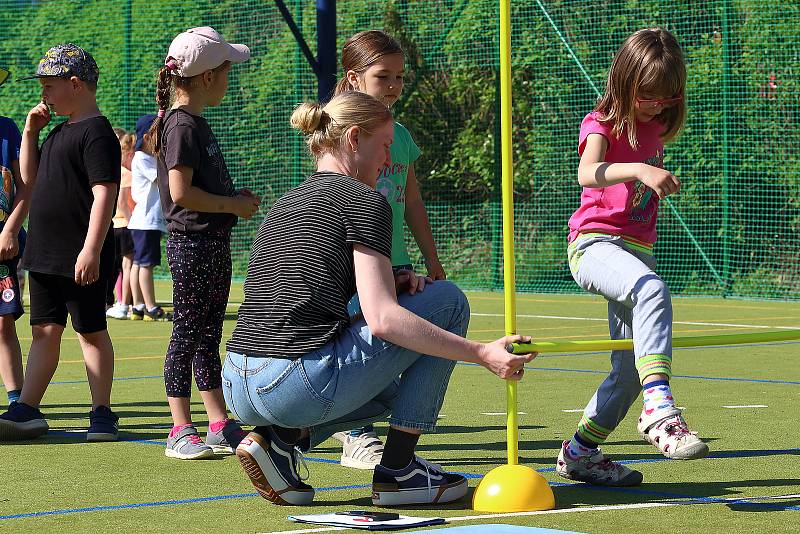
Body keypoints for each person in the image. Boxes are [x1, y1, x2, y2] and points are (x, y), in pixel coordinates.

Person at [224, 91, 534, 507]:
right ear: (354, 139)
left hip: (238, 382)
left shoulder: (285, 203)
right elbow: (384, 319)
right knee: (448, 301)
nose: (390, 161)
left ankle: (280, 441)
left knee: (389, 389)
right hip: (291, 385)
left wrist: (393, 278)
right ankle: (399, 472)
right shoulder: (366, 201)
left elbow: (304, 291)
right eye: (386, 146)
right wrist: (481, 353)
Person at [557, 28, 707, 487]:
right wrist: (640, 168)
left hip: (637, 252)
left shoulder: (656, 125)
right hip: (594, 246)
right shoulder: (599, 122)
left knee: (626, 375)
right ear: (623, 82)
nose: (656, 105)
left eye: (665, 97)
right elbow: (587, 174)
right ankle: (659, 407)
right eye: (646, 96)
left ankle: (580, 452)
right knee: (652, 291)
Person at [328, 30, 447, 470]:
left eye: (400, 76)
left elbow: (412, 201)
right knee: (360, 343)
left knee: (399, 342)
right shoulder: (340, 130)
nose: (394, 86)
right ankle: (355, 436)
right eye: (384, 76)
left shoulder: (400, 135)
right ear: (355, 78)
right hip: (354, 259)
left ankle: (390, 440)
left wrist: (431, 261)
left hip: (393, 260)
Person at [0, 44, 120, 441]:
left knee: (90, 331)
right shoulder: (54, 131)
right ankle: (28, 408)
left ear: (75, 84)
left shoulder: (97, 131)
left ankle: (101, 411)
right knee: (44, 331)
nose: (44, 94)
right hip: (45, 254)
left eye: (50, 86)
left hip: (78, 253)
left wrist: (91, 248)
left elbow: (104, 193)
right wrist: (31, 132)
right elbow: (29, 178)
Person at [150, 27, 259, 459]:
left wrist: (233, 202)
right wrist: (231, 205)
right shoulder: (181, 125)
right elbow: (180, 193)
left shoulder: (193, 123)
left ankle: (217, 421)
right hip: (192, 245)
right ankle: (180, 427)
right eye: (227, 71)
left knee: (208, 332)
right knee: (188, 332)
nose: (230, 80)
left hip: (210, 243)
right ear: (208, 77)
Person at [0, 67, 31, 409]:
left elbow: (25, 187)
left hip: (3, 248)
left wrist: (10, 229)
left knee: (2, 322)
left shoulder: (7, 130)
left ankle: (17, 402)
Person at [127, 114, 167, 321]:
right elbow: (162, 178)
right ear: (147, 136)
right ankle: (150, 307)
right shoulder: (144, 158)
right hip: (146, 220)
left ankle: (138, 306)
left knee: (138, 263)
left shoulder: (145, 158)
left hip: (144, 221)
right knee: (145, 265)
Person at [106, 127, 136, 319]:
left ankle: (118, 301)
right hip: (125, 224)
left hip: (114, 224)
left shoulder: (111, 171)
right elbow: (123, 203)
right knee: (128, 266)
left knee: (115, 268)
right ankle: (125, 303)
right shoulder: (125, 173)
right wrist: (134, 223)